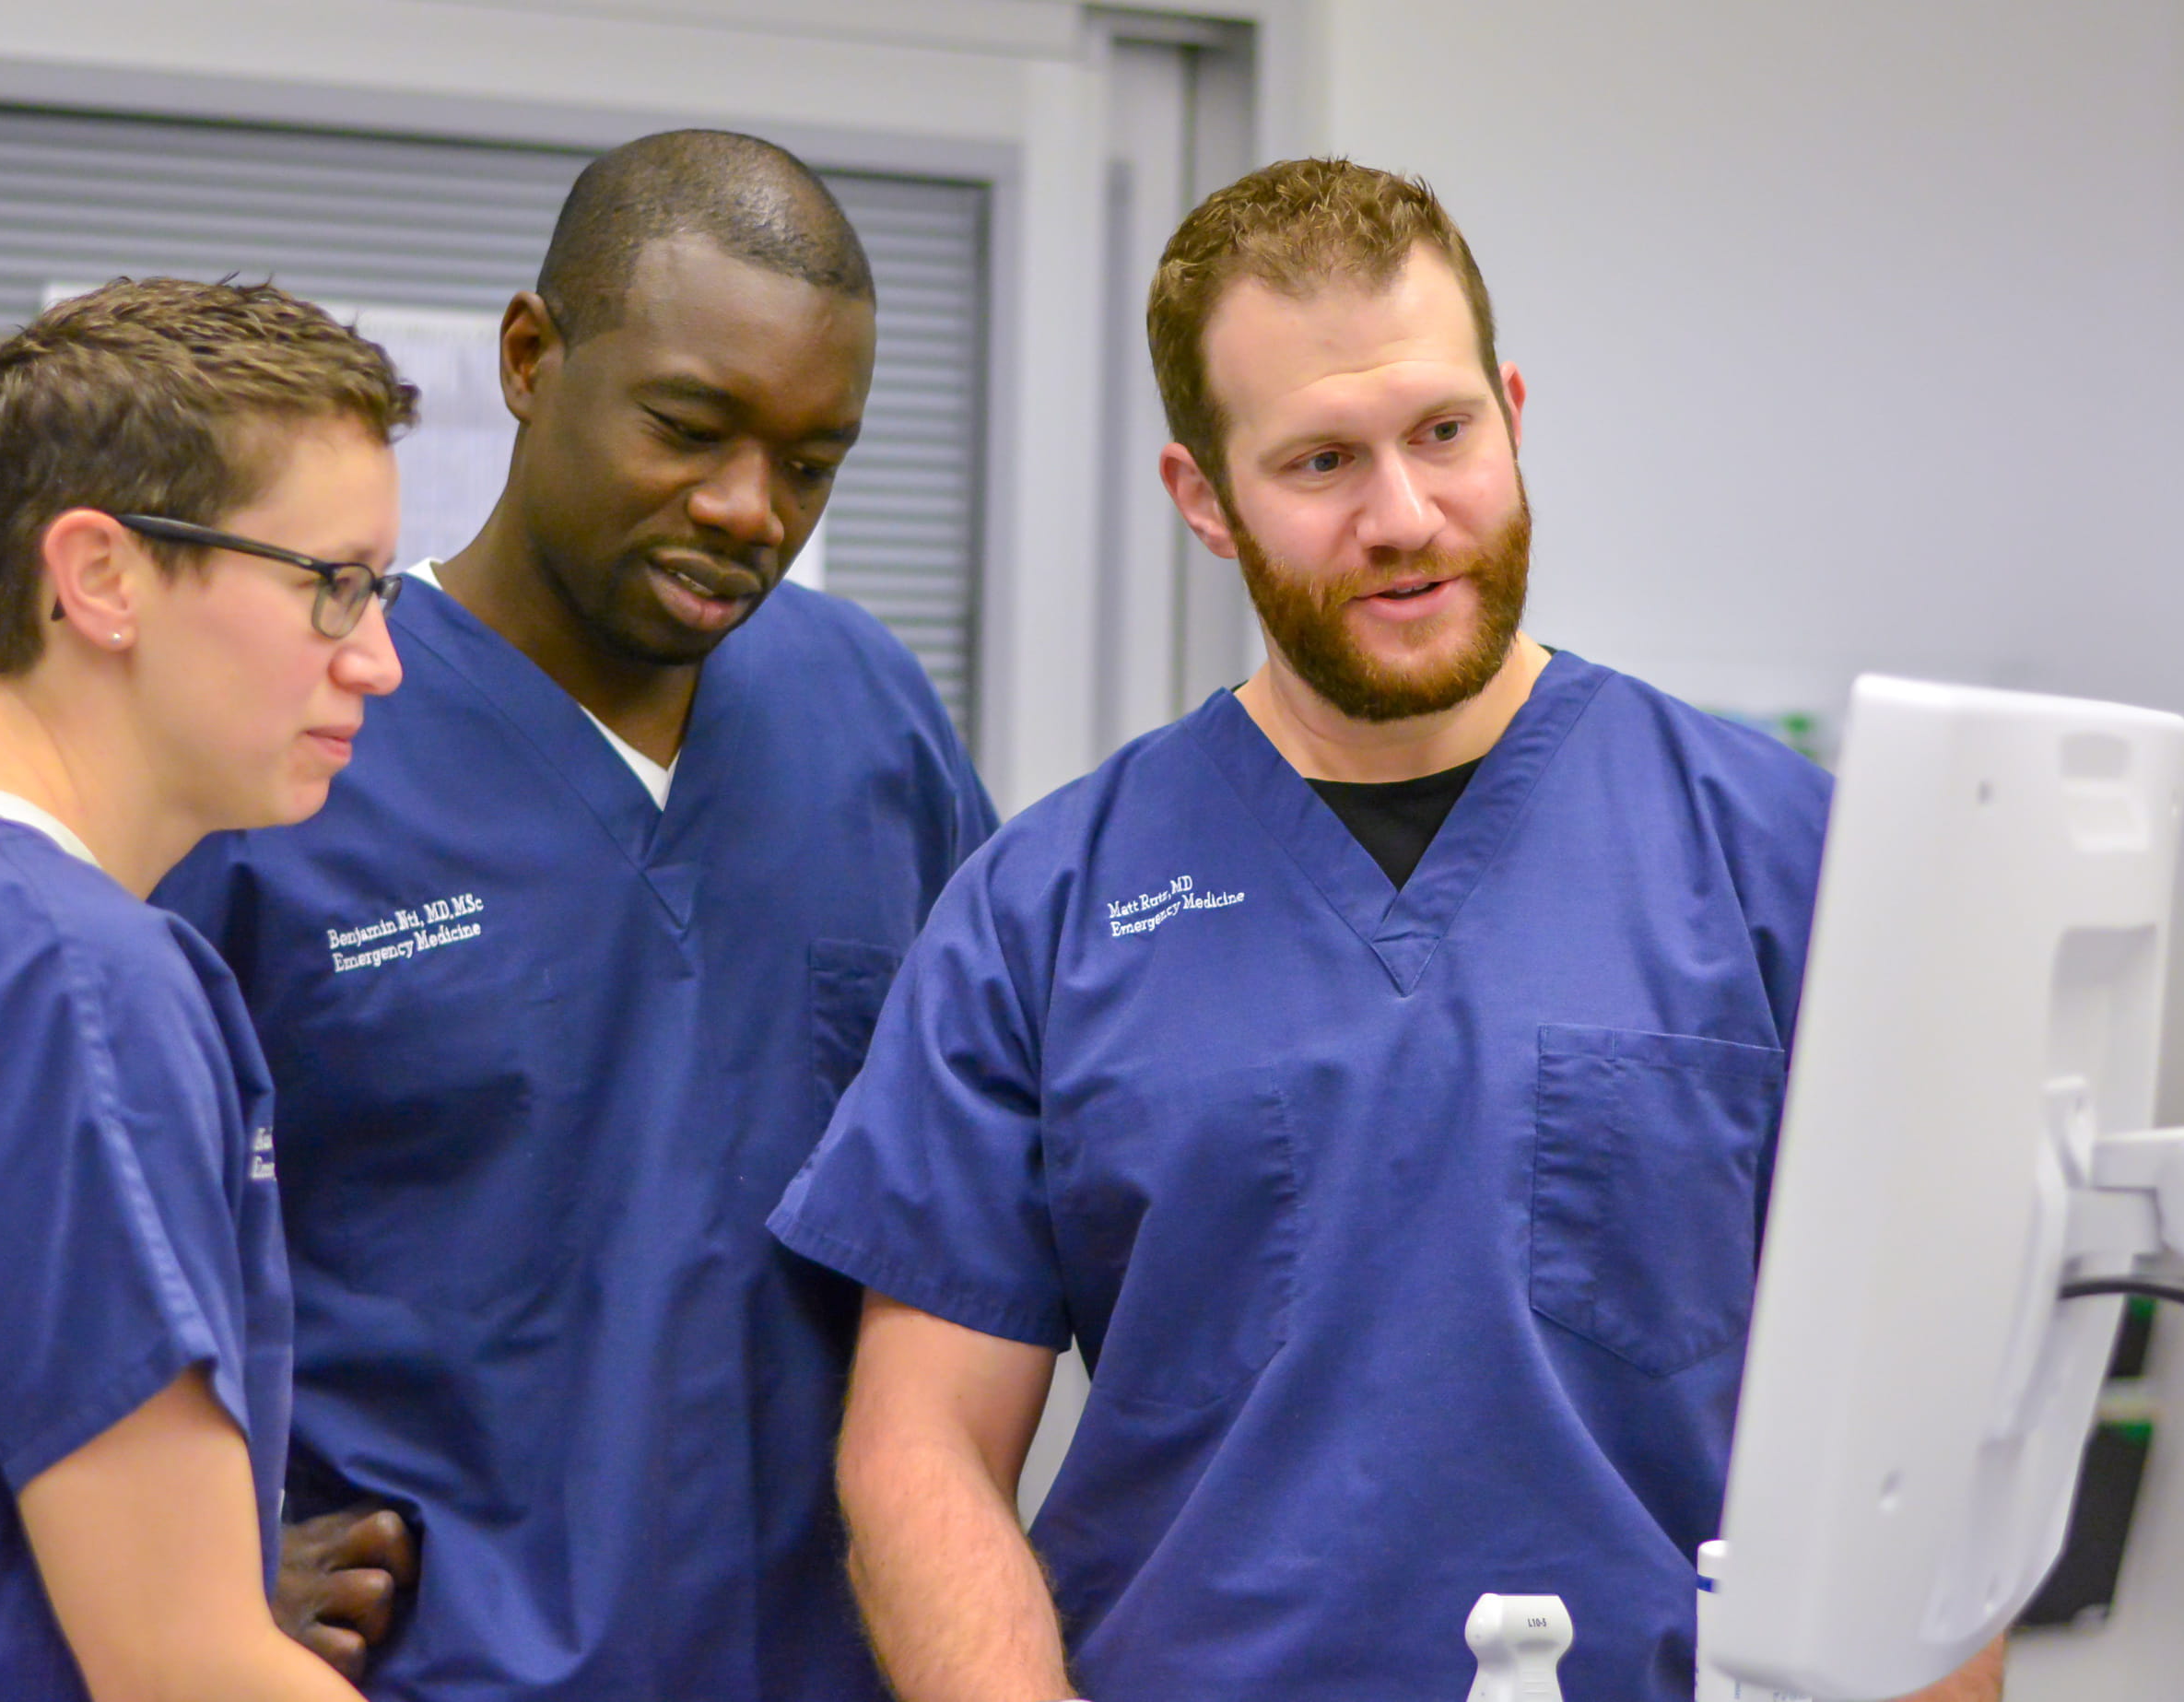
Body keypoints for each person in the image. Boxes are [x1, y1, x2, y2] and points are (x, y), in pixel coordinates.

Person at [769, 158, 2003, 1701]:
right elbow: (921, 1448)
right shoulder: (1047, 910)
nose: (1405, 518)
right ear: (1205, 500)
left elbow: (1930, 1425)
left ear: (1513, 413)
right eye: (1321, 462)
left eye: (1443, 433)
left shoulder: (1782, 857)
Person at [153, 131, 996, 1698]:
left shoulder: (867, 715)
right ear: (532, 359)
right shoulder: (285, 751)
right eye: (689, 429)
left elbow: (1015, 1151)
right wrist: (179, 1561)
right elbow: (27, 1229)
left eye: (811, 462)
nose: (748, 508)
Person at [0, 277, 416, 1699]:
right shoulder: (66, 979)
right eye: (332, 582)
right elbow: (182, 1665)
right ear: (101, 578)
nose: (378, 659)